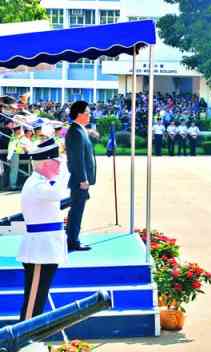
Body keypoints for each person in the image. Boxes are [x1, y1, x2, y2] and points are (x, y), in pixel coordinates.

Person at [17, 138, 67, 352]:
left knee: (37, 300)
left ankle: (30, 340)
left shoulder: (42, 182)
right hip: (40, 251)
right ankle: (22, 342)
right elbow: (58, 193)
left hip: (47, 249)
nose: (59, 165)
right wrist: (67, 170)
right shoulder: (36, 184)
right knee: (32, 304)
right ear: (47, 162)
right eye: (57, 161)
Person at [65, 101, 95, 252]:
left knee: (77, 209)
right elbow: (77, 159)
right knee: (76, 210)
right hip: (79, 180)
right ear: (79, 114)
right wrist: (83, 179)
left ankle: (72, 239)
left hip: (82, 179)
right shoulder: (76, 131)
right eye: (87, 113)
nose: (90, 115)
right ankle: (72, 241)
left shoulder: (80, 130)